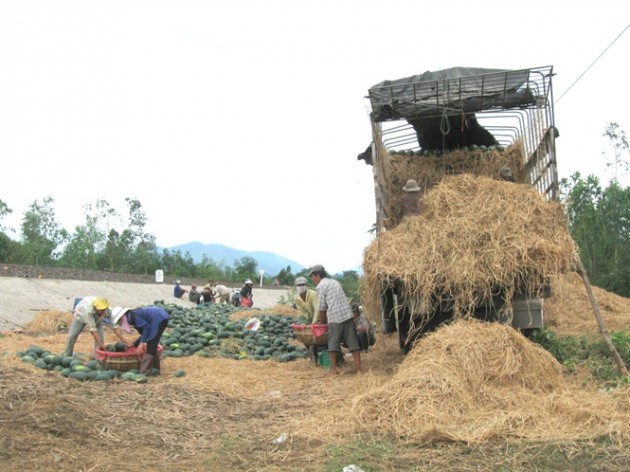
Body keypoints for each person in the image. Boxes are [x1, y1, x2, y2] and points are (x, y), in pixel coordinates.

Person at [308, 264, 361, 374]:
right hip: (347, 314)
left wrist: (322, 322)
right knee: (352, 341)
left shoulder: (321, 286)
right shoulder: (335, 282)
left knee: (333, 343)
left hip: (335, 316)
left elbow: (322, 307)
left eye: (313, 276)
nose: (313, 279)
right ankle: (358, 367)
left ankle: (333, 369)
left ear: (317, 275)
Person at [112, 305, 169, 374]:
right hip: (160, 316)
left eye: (119, 320)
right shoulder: (130, 317)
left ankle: (143, 372)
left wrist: (142, 343)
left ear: (121, 316)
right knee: (152, 344)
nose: (119, 322)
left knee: (151, 344)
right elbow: (144, 334)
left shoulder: (132, 317)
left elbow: (146, 328)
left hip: (158, 318)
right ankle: (155, 370)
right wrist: (135, 344)